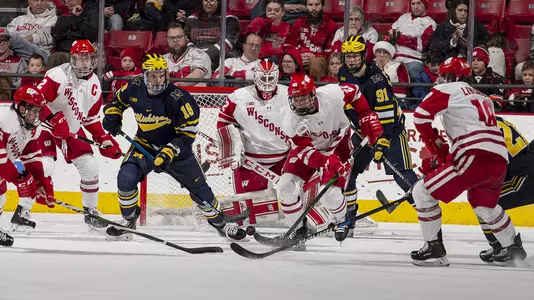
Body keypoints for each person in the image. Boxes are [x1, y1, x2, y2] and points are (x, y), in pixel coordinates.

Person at [102, 53, 246, 241]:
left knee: (200, 191)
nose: (159, 79)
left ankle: (222, 225)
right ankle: (129, 221)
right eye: (153, 75)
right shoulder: (134, 87)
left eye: (162, 75)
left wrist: (168, 153)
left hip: (177, 152)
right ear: (144, 75)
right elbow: (117, 102)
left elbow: (187, 135)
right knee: (126, 178)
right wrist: (112, 116)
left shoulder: (180, 99)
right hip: (144, 144)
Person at [411, 57, 527, 267]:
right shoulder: (483, 97)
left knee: (422, 192)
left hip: (474, 154)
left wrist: (437, 145)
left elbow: (420, 117)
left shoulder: (446, 89)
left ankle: (434, 249)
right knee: (486, 207)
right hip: (499, 158)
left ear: (446, 76)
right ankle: (513, 250)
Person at [216, 59, 332, 231]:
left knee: (298, 191)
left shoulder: (289, 94)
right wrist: (232, 145)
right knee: (250, 213)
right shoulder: (237, 98)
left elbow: (308, 116)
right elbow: (223, 122)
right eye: (264, 78)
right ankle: (240, 232)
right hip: (252, 160)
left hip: (283, 157)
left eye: (271, 78)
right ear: (255, 77)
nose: (267, 83)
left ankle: (310, 221)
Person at [277, 74, 384, 247]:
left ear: (313, 94)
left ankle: (342, 219)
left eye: (303, 98)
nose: (300, 103)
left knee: (329, 194)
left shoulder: (332, 94)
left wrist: (365, 115)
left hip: (338, 146)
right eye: (296, 100)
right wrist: (327, 162)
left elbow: (355, 92)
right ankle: (297, 230)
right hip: (312, 152)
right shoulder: (290, 121)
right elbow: (306, 153)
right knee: (285, 186)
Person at [36, 40, 122, 231]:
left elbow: (90, 119)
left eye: (87, 59)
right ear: (72, 58)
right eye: (79, 59)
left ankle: (91, 213)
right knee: (45, 167)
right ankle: (21, 212)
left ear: (93, 60)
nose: (83, 64)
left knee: (90, 168)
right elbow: (34, 102)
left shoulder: (94, 85)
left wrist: (103, 138)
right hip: (44, 126)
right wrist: (55, 119)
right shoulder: (58, 75)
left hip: (70, 130)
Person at [339, 35, 419, 235]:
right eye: (347, 56)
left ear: (363, 55)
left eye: (355, 56)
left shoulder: (377, 80)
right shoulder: (343, 73)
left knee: (403, 175)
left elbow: (388, 117)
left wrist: (381, 143)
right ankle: (349, 216)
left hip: (390, 131)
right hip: (362, 133)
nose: (350, 60)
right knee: (347, 173)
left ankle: (427, 212)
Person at [478, 116, 534, 262]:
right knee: (480, 201)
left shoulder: (479, 127)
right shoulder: (496, 119)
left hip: (525, 177)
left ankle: (508, 248)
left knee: (482, 202)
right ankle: (500, 246)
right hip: (523, 172)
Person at [0, 86, 55, 232]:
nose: (37, 115)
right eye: (34, 110)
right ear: (22, 108)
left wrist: (39, 180)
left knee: (0, 194)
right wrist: (19, 178)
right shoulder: (5, 121)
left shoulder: (31, 128)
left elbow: (30, 155)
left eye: (38, 111)